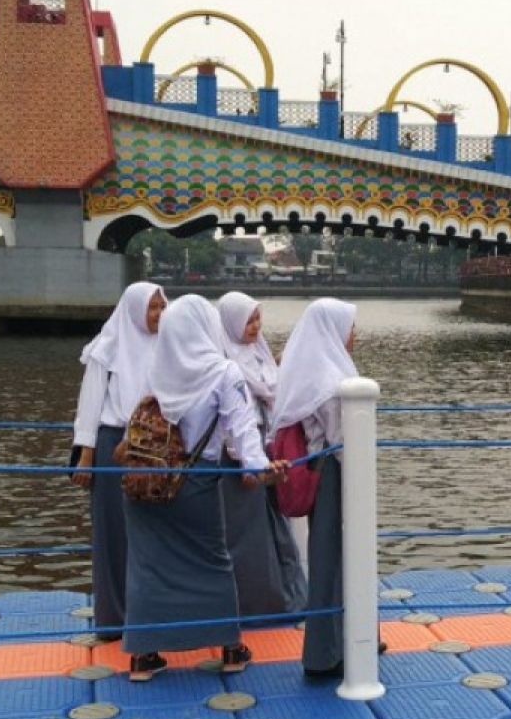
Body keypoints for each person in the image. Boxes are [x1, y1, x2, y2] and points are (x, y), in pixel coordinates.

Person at [123, 295, 287, 681]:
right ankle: (230, 648)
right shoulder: (224, 373)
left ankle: (144, 656)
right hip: (196, 481)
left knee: (149, 565)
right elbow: (244, 435)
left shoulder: (157, 365)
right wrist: (264, 469)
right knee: (213, 561)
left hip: (146, 481)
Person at [269, 298, 373, 677]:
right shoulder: (332, 383)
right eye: (350, 327)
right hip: (336, 474)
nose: (354, 335)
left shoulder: (309, 371)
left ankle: (340, 641)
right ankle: (331, 650)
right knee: (338, 557)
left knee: (332, 556)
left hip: (321, 471)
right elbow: (344, 439)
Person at [72, 282, 166, 640]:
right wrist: (86, 454)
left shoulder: (167, 347)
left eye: (162, 307)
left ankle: (149, 613)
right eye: (152, 308)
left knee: (152, 529)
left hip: (153, 445)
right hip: (114, 445)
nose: (158, 315)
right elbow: (90, 403)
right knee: (112, 533)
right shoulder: (108, 348)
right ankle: (113, 619)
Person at [214, 291, 306, 617]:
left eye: (257, 320)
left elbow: (273, 389)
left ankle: (285, 595)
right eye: (248, 321)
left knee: (277, 526)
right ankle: (256, 602)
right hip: (240, 455)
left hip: (267, 449)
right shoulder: (223, 360)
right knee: (249, 530)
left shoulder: (259, 352)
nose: (254, 327)